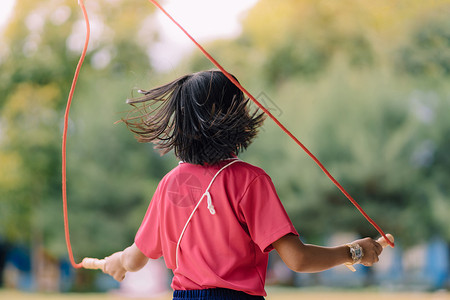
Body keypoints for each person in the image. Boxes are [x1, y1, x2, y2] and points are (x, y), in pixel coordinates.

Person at [102, 70, 383, 300]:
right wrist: (355, 252)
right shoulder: (249, 180)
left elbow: (135, 259)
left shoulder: (172, 184)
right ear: (235, 118)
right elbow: (298, 259)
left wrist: (117, 261)